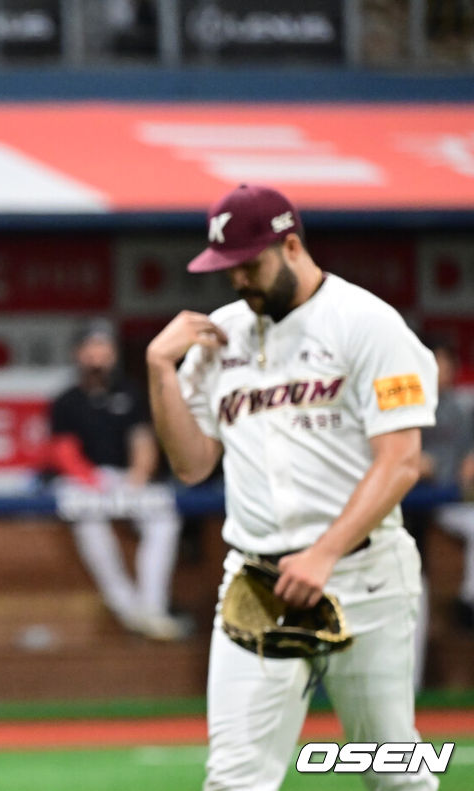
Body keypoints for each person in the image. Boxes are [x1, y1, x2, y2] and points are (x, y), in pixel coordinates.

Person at [146, 183, 439, 790]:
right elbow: (193, 464)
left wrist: (324, 553)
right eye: (227, 269)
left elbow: (402, 461)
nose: (238, 281)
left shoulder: (367, 323)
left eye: (250, 264)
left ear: (292, 245)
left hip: (364, 575)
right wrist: (160, 371)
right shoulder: (220, 336)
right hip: (258, 582)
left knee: (394, 774)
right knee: (234, 780)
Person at [47, 321, 189, 641]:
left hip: (125, 477)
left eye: (104, 347)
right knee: (88, 518)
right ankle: (128, 609)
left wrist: (137, 479)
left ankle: (152, 606)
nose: (98, 354)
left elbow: (142, 441)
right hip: (82, 481)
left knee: (164, 517)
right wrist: (92, 482)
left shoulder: (130, 391)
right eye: (91, 347)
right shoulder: (66, 400)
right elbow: (64, 452)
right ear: (78, 353)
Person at [418, 338, 474, 630]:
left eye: (447, 363)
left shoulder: (462, 406)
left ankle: (468, 602)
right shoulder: (409, 404)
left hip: (450, 501)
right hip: (408, 505)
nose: (443, 370)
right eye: (436, 363)